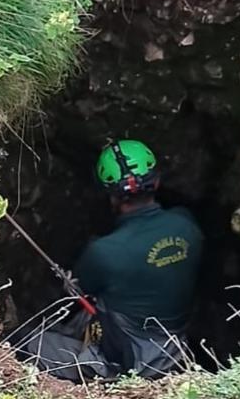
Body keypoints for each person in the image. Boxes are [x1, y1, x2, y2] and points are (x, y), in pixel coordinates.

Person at [12, 139, 204, 382]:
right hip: (175, 349)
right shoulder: (187, 224)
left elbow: (82, 290)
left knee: (17, 341)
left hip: (129, 359)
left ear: (110, 196)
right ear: (156, 182)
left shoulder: (104, 252)